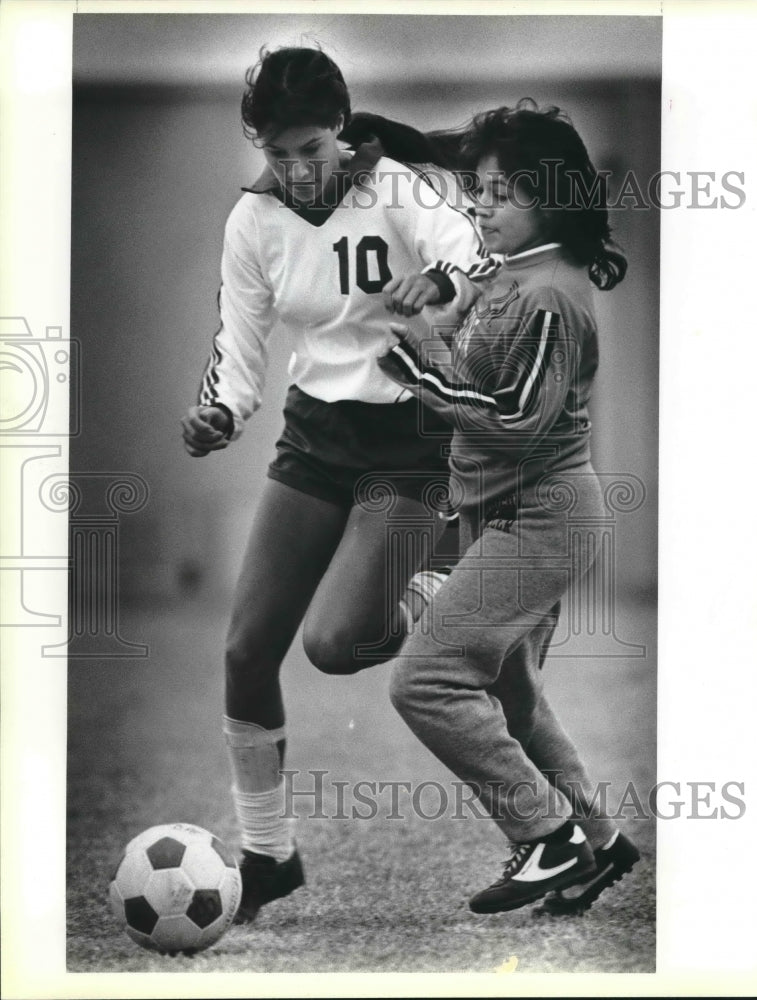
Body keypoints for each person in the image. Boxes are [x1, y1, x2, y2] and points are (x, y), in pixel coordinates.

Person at [180, 46, 485, 924]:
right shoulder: (253, 221)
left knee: (336, 644)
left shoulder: (397, 188)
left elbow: (471, 256)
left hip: (409, 437)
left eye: (310, 150)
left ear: (340, 130)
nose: (295, 169)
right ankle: (269, 855)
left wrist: (441, 280)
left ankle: (442, 586)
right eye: (277, 154)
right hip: (318, 433)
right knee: (246, 652)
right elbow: (238, 359)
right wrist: (219, 414)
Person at [378, 101, 640, 915]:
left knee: (424, 682)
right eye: (478, 193)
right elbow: (482, 371)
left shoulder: (552, 295)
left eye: (498, 194)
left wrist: (415, 369)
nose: (479, 207)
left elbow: (520, 418)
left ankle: (544, 835)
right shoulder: (511, 275)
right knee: (513, 696)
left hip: (543, 516)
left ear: (548, 200)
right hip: (505, 515)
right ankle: (599, 842)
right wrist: (432, 328)